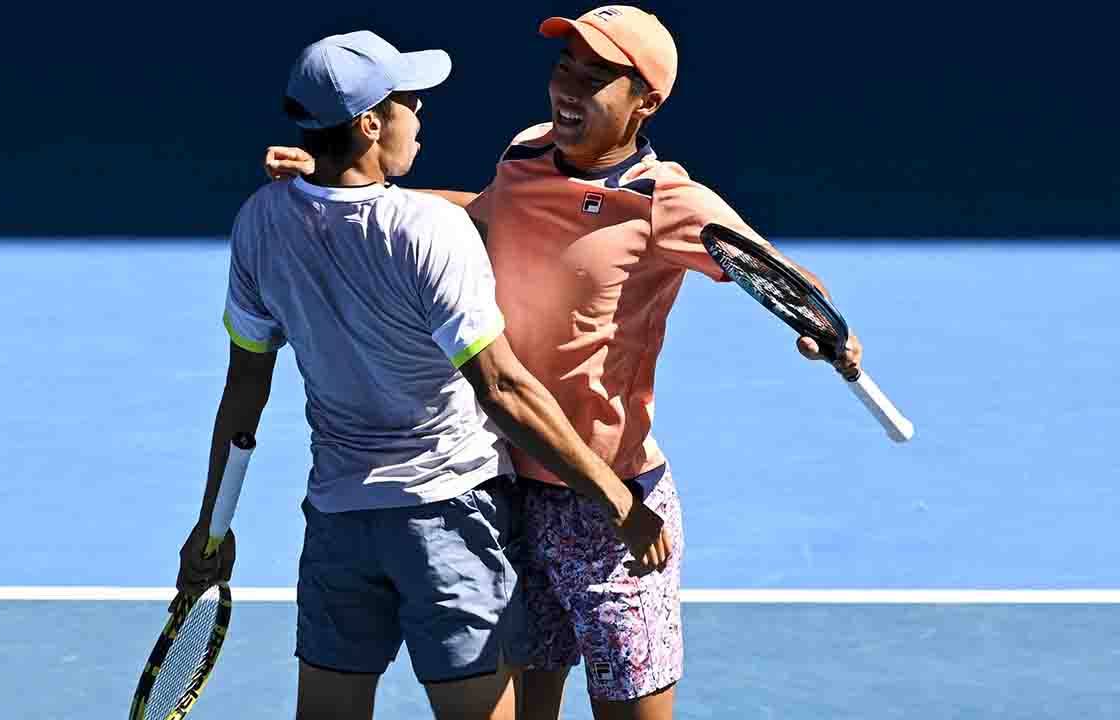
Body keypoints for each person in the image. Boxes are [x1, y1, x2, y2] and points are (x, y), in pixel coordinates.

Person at [265, 8, 864, 719]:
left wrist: (826, 330)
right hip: (509, 489)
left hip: (615, 510)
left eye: (597, 77)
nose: (569, 90)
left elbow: (778, 277)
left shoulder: (666, 201)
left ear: (646, 101)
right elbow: (480, 216)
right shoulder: (522, 154)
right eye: (565, 68)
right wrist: (338, 180)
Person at [175, 29, 671, 720]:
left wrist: (211, 531)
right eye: (409, 101)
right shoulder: (431, 233)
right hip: (449, 516)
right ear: (372, 123)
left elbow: (243, 394)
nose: (421, 114)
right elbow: (502, 389)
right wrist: (619, 502)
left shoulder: (260, 221)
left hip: (338, 522)